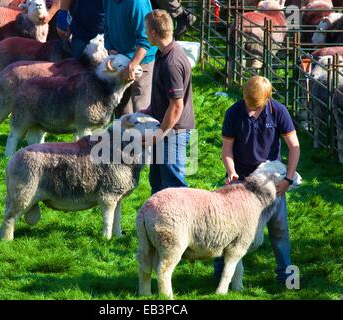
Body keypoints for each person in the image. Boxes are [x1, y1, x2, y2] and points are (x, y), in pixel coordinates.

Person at [214, 75, 301, 286]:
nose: (251, 109)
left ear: (267, 99)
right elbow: (226, 149)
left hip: (270, 180)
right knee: (225, 227)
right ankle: (220, 276)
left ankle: (287, 278)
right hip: (241, 179)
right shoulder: (234, 113)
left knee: (279, 228)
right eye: (248, 103)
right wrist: (231, 171)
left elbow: (294, 146)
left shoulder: (278, 111)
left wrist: (288, 179)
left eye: (257, 105)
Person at [125, 9, 195, 194]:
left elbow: (176, 105)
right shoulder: (162, 53)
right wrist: (143, 112)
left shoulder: (172, 62)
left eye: (146, 30)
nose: (145, 33)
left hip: (173, 131)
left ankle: (182, 221)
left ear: (154, 33)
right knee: (157, 181)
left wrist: (158, 135)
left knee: (174, 185)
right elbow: (165, 99)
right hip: (163, 126)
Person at [104, 0, 157, 116]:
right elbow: (106, 24)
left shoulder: (137, 3)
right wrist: (109, 47)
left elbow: (145, 38)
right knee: (121, 106)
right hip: (120, 58)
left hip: (142, 59)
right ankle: (125, 133)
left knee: (141, 108)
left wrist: (133, 64)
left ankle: (144, 133)